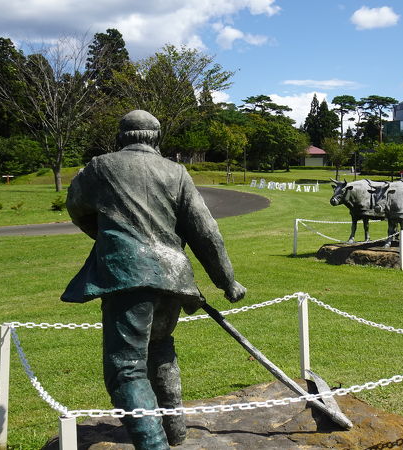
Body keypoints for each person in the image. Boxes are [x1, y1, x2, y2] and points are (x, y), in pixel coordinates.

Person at [61, 110, 246, 449]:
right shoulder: (176, 172)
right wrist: (227, 281)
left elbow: (76, 207)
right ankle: (175, 432)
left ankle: (155, 444)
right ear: (156, 138)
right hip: (172, 276)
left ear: (121, 136)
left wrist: (110, 238)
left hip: (127, 278)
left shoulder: (100, 168)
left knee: (127, 368)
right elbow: (206, 231)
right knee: (160, 348)